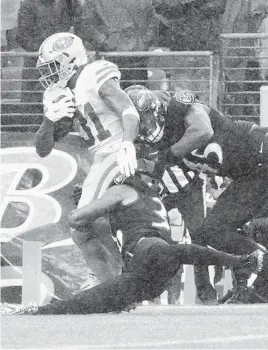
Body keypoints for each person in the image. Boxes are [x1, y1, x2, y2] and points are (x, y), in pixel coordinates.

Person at [6, 168, 265, 315]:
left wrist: (86, 202)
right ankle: (42, 312)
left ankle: (240, 261)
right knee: (101, 300)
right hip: (151, 277)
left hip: (148, 253)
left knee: (167, 252)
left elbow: (77, 219)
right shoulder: (149, 199)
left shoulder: (121, 191)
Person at [125, 85, 268, 304]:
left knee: (235, 228)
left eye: (145, 120)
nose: (144, 128)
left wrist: (169, 155)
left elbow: (203, 131)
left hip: (261, 151)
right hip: (250, 176)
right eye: (139, 124)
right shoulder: (158, 143)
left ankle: (256, 288)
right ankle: (259, 277)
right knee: (214, 230)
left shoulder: (179, 108)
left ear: (154, 109)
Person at [34, 32, 141, 285]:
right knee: (82, 232)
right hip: (100, 157)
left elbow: (128, 108)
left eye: (52, 66)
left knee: (82, 221)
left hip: (116, 151)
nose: (49, 73)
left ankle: (131, 276)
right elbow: (42, 149)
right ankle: (109, 285)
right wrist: (49, 118)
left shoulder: (93, 74)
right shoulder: (60, 93)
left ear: (69, 59)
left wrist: (127, 143)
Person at [78, 0, 160, 89]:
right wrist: (106, 43)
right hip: (110, 58)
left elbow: (153, 20)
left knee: (138, 94)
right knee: (112, 94)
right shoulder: (95, 2)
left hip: (136, 58)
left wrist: (143, 42)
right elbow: (87, 25)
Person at [16, 0, 82, 107]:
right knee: (33, 109)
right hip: (36, 68)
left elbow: (80, 25)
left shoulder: (69, 3)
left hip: (62, 66)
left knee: (64, 108)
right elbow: (22, 36)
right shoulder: (28, 5)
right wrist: (47, 52)